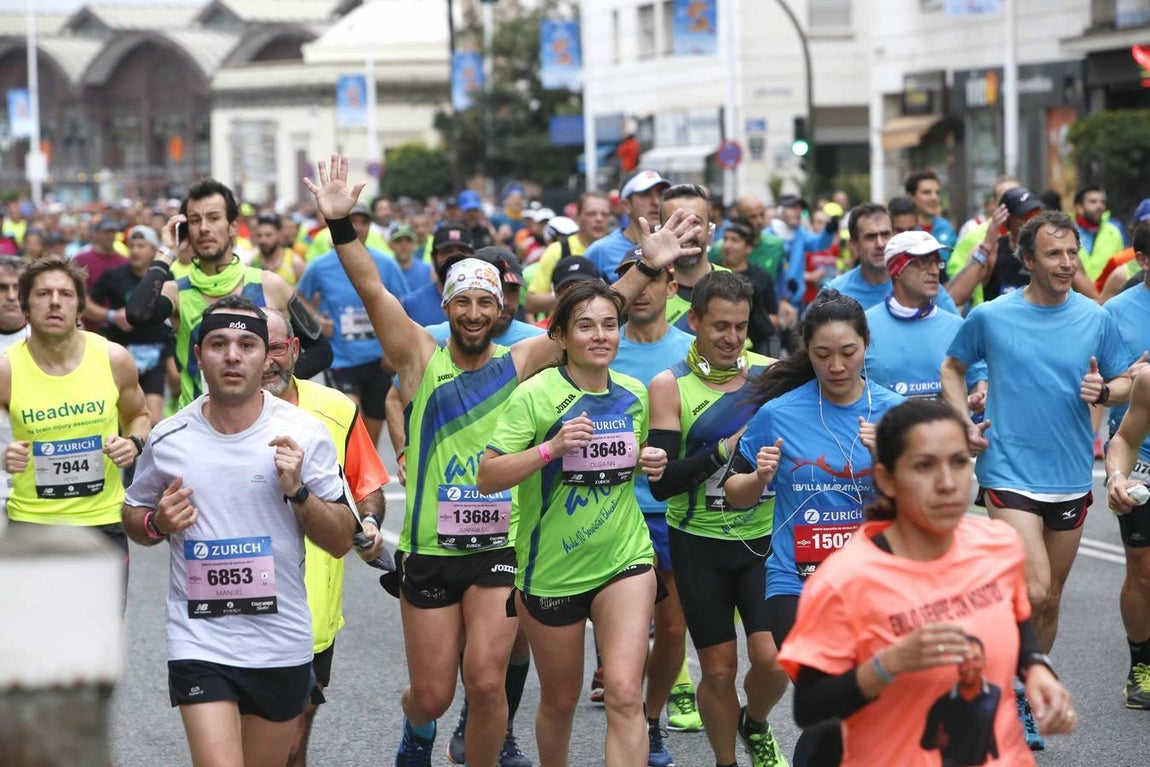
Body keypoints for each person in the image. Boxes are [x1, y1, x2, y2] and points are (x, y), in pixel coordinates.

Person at [302, 153, 701, 767]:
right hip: (432, 549)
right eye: (462, 302)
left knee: (488, 685)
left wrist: (649, 265)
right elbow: (371, 288)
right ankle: (418, 728)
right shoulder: (418, 356)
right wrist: (339, 225)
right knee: (434, 694)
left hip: (498, 547)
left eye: (485, 304)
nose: (473, 314)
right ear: (446, 305)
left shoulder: (516, 362)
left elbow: (592, 316)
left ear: (499, 310)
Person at [122, 298, 356, 767]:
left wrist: (300, 493)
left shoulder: (304, 434)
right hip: (200, 640)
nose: (232, 355)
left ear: (265, 356)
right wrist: (158, 523)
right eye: (219, 344)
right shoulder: (169, 439)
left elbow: (341, 538)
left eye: (247, 344)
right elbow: (134, 516)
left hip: (279, 641)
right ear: (198, 355)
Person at [778, 399, 1076, 767]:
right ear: (887, 480)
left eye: (958, 462)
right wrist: (889, 663)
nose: (948, 483)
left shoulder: (997, 544)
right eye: (924, 466)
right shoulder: (845, 580)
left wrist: (1035, 667)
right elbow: (809, 707)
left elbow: (1014, 620)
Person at [941, 209, 1137, 749]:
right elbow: (953, 367)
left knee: (1049, 603)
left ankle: (1024, 679)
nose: (1067, 262)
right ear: (1027, 261)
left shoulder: (1095, 318)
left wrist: (1106, 390)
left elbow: (1123, 383)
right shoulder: (994, 316)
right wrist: (963, 421)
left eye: (1072, 252)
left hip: (1071, 474)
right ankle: (1012, 693)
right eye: (1054, 254)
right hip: (1008, 468)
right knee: (1034, 586)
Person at [477, 280, 668, 767]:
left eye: (609, 325)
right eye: (585, 326)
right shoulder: (535, 396)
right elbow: (488, 476)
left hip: (624, 556)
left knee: (625, 693)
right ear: (559, 335)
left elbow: (623, 464)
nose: (600, 335)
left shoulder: (633, 394)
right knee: (561, 701)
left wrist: (647, 459)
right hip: (552, 568)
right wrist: (552, 449)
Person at [723, 290, 904, 764]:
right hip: (796, 584)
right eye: (822, 354)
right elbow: (731, 496)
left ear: (866, 345)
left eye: (848, 352)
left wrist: (888, 461)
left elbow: (928, 505)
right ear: (806, 349)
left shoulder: (894, 414)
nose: (837, 365)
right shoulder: (778, 414)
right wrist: (759, 477)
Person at [647, 271, 784, 767]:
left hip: (765, 540)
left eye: (740, 327)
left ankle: (758, 723)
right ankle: (727, 761)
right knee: (720, 670)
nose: (730, 338)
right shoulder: (670, 386)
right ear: (695, 322)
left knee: (774, 659)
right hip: (698, 543)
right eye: (719, 326)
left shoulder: (773, 377)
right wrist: (725, 448)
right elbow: (664, 484)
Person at [260, 307, 389, 767]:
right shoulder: (212, 412)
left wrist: (369, 523)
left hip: (313, 604)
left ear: (294, 350)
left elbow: (366, 485)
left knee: (295, 734)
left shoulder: (334, 408)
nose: (268, 360)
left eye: (278, 347)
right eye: (260, 347)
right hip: (236, 602)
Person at [125, 179, 332, 408]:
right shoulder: (176, 292)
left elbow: (321, 351)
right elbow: (137, 314)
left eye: (213, 218)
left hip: (262, 428)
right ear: (186, 230)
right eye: (195, 220)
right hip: (199, 431)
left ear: (233, 226)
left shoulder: (269, 285)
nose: (204, 228)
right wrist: (166, 252)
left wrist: (267, 385)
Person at [1, 257, 150, 570]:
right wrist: (4, 456)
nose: (55, 302)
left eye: (65, 294)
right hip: (32, 524)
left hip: (102, 524)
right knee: (36, 622)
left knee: (100, 621)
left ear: (80, 309)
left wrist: (133, 442)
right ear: (25, 307)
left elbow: (139, 415)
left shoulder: (113, 358)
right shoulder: (6, 370)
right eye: (43, 294)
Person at [606, 251, 697, 765]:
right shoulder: (600, 346)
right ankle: (623, 709)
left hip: (673, 510)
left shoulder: (691, 350)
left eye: (653, 280)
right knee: (621, 629)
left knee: (671, 629)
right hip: (609, 507)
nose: (640, 291)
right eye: (630, 281)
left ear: (672, 285)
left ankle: (652, 717)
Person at [297, 209, 408, 447]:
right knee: (350, 416)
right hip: (342, 360)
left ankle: (365, 480)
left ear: (370, 227)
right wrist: (315, 319)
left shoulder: (386, 264)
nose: (357, 227)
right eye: (351, 222)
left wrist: (395, 345)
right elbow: (299, 297)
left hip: (378, 359)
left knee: (371, 435)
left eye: (363, 222)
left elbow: (402, 303)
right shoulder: (320, 266)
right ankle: (348, 479)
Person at [1101, 224, 1150, 710]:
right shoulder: (1114, 314)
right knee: (1143, 571)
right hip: (1145, 465)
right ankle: (1143, 663)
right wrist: (1117, 475)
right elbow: (1124, 437)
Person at [863, 230, 984, 404]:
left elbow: (979, 378)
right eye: (924, 262)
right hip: (883, 431)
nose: (935, 271)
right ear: (897, 269)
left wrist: (978, 396)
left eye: (937, 263)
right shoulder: (864, 326)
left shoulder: (957, 326)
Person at [88, 225, 174, 425]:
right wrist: (111, 315)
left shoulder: (165, 278)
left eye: (141, 246)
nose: (135, 250)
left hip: (154, 354)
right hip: (121, 354)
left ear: (154, 250)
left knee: (153, 418)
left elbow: (171, 323)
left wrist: (171, 359)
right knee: (121, 418)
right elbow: (86, 305)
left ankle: (147, 455)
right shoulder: (114, 275)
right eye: (132, 245)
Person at [824, 204, 960, 314]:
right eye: (870, 237)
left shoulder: (922, 286)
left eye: (885, 234)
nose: (880, 244)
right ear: (854, 245)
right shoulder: (835, 292)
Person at [526, 193, 613, 314]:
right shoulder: (558, 250)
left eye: (605, 214)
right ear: (577, 217)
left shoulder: (618, 251)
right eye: (591, 214)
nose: (599, 219)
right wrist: (571, 295)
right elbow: (531, 303)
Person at [585, 169, 670, 281]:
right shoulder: (600, 250)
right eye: (645, 194)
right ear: (626, 205)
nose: (656, 202)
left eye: (660, 193)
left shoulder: (672, 244)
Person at [718, 218, 778, 354]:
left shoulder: (761, 277)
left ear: (748, 248)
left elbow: (774, 318)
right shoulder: (712, 272)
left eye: (735, 240)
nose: (727, 245)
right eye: (725, 239)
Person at [0, 256, 29, 514]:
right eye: (2, 287)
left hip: (38, 484)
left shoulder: (54, 340)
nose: (10, 296)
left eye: (17, 288)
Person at [251, 214, 307, 287]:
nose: (263, 240)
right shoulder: (252, 262)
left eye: (268, 235)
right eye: (259, 235)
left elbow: (309, 294)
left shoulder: (294, 262)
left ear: (279, 235)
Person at [904, 170, 956, 249]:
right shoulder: (906, 230)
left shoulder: (946, 227)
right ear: (910, 196)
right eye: (927, 192)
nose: (934, 198)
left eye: (937, 193)